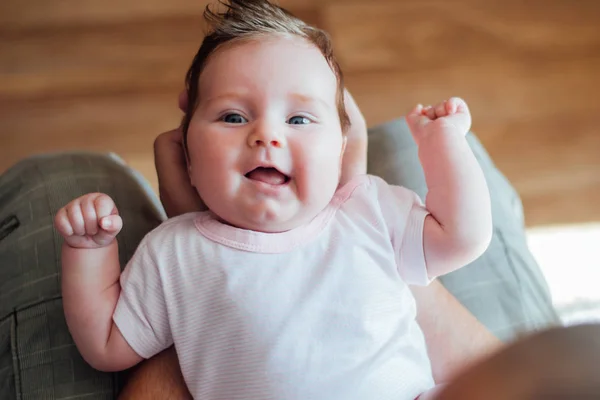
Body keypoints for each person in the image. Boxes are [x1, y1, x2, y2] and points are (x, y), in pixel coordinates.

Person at [0, 6, 559, 400]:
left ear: (341, 150)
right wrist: (89, 249)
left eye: (299, 119)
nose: (266, 136)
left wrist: (443, 147)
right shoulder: (173, 251)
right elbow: (106, 346)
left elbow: (463, 237)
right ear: (187, 153)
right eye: (232, 116)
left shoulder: (367, 209)